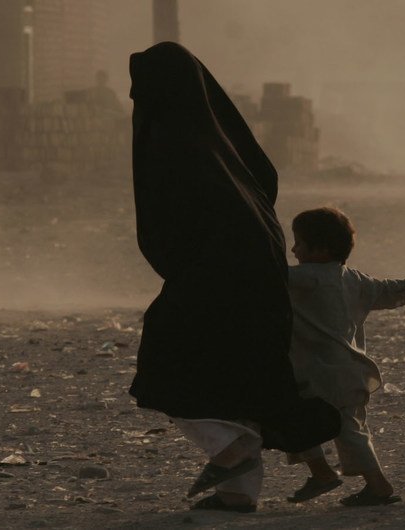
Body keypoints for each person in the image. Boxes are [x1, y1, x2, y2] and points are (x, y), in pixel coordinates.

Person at [126, 42, 340, 513]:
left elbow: (172, 221)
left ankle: (230, 448)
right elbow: (265, 183)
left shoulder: (176, 144)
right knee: (243, 375)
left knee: (164, 360)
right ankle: (237, 493)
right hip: (259, 279)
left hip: (215, 277)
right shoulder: (223, 147)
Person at [281, 207, 405, 507]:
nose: (293, 250)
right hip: (350, 373)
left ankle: (326, 474)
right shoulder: (355, 279)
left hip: (315, 374)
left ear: (321, 249)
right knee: (352, 430)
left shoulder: (304, 277)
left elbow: (266, 278)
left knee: (294, 419)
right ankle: (375, 484)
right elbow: (389, 291)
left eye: (299, 243)